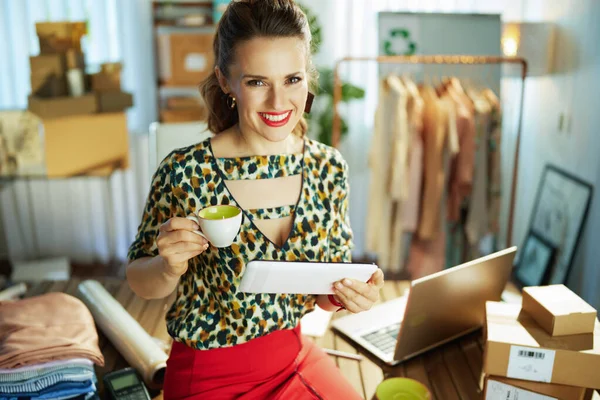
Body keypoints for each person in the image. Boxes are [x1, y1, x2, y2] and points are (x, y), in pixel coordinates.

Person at [126, 0, 384, 398]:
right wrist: (166, 266)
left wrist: (347, 294)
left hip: (293, 357)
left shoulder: (328, 168)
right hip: (207, 373)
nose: (279, 103)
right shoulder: (184, 171)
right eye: (257, 82)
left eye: (292, 80)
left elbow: (323, 293)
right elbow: (139, 281)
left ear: (308, 79)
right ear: (226, 81)